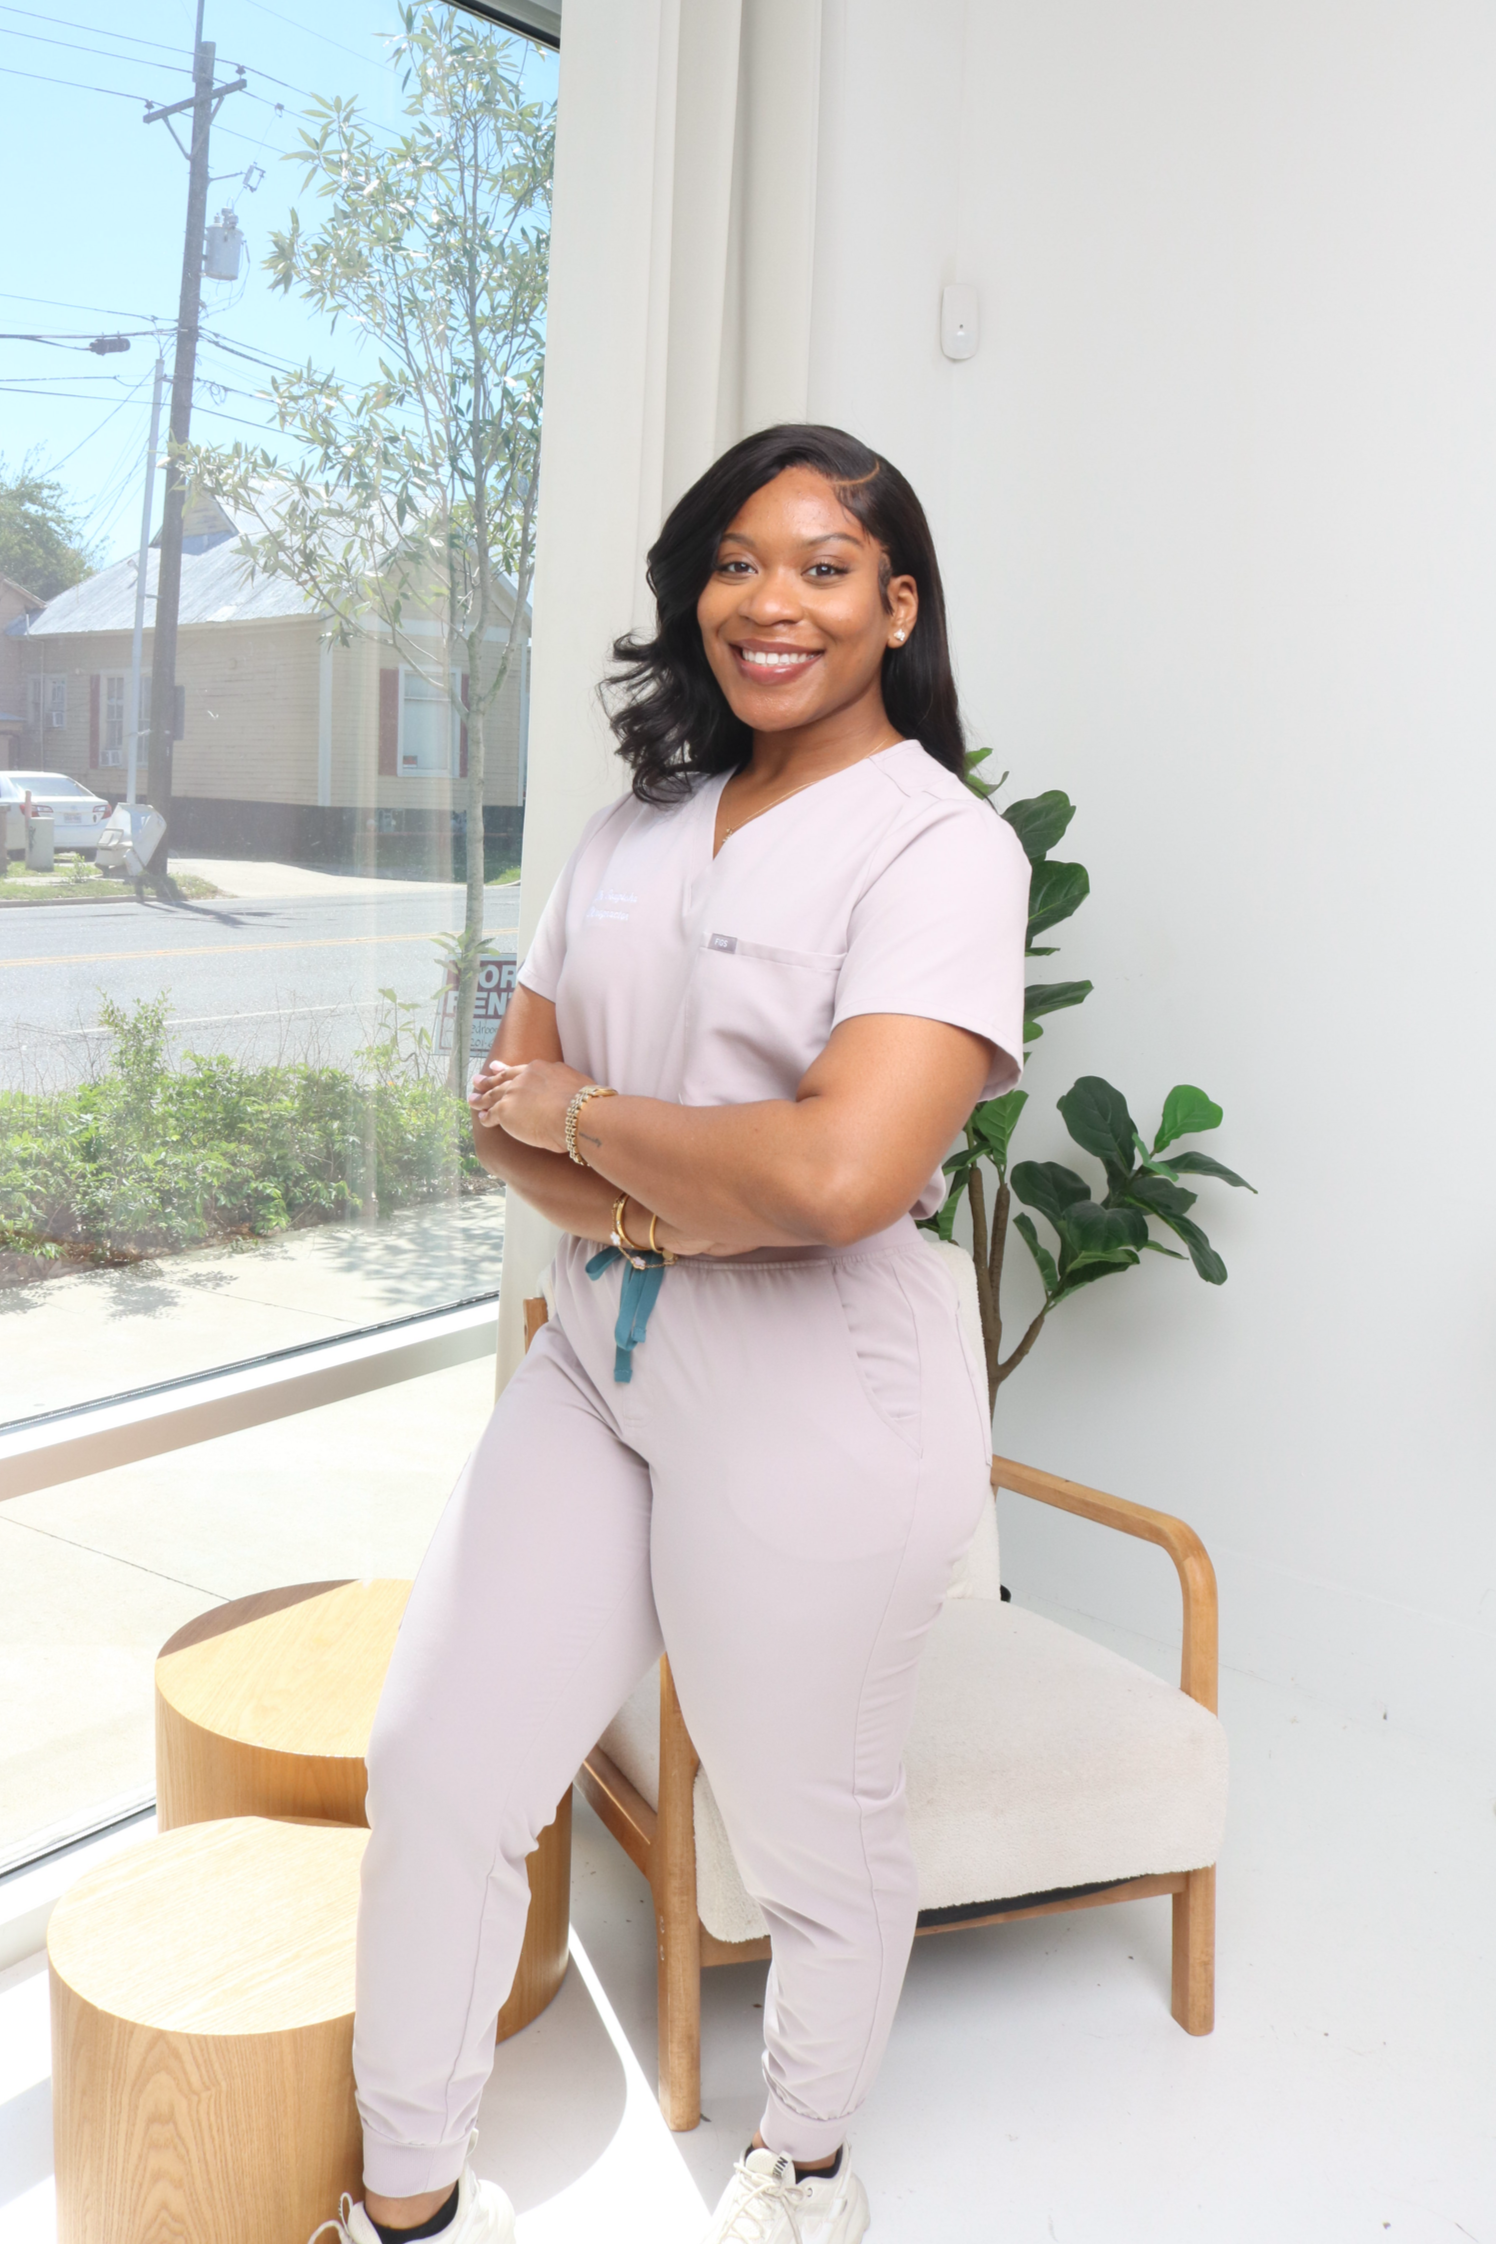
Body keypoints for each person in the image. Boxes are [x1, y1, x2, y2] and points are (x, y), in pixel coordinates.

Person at [311, 425, 1028, 2244]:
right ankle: (403, 2198)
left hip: (818, 1394)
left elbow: (839, 1177)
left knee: (809, 1834)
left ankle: (803, 2166)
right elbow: (492, 1106)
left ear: (896, 607)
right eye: (735, 560)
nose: (769, 599)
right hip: (596, 1360)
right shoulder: (627, 828)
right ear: (694, 592)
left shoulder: (943, 850)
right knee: (442, 1762)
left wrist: (586, 1125)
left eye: (822, 565)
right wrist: (634, 1168)